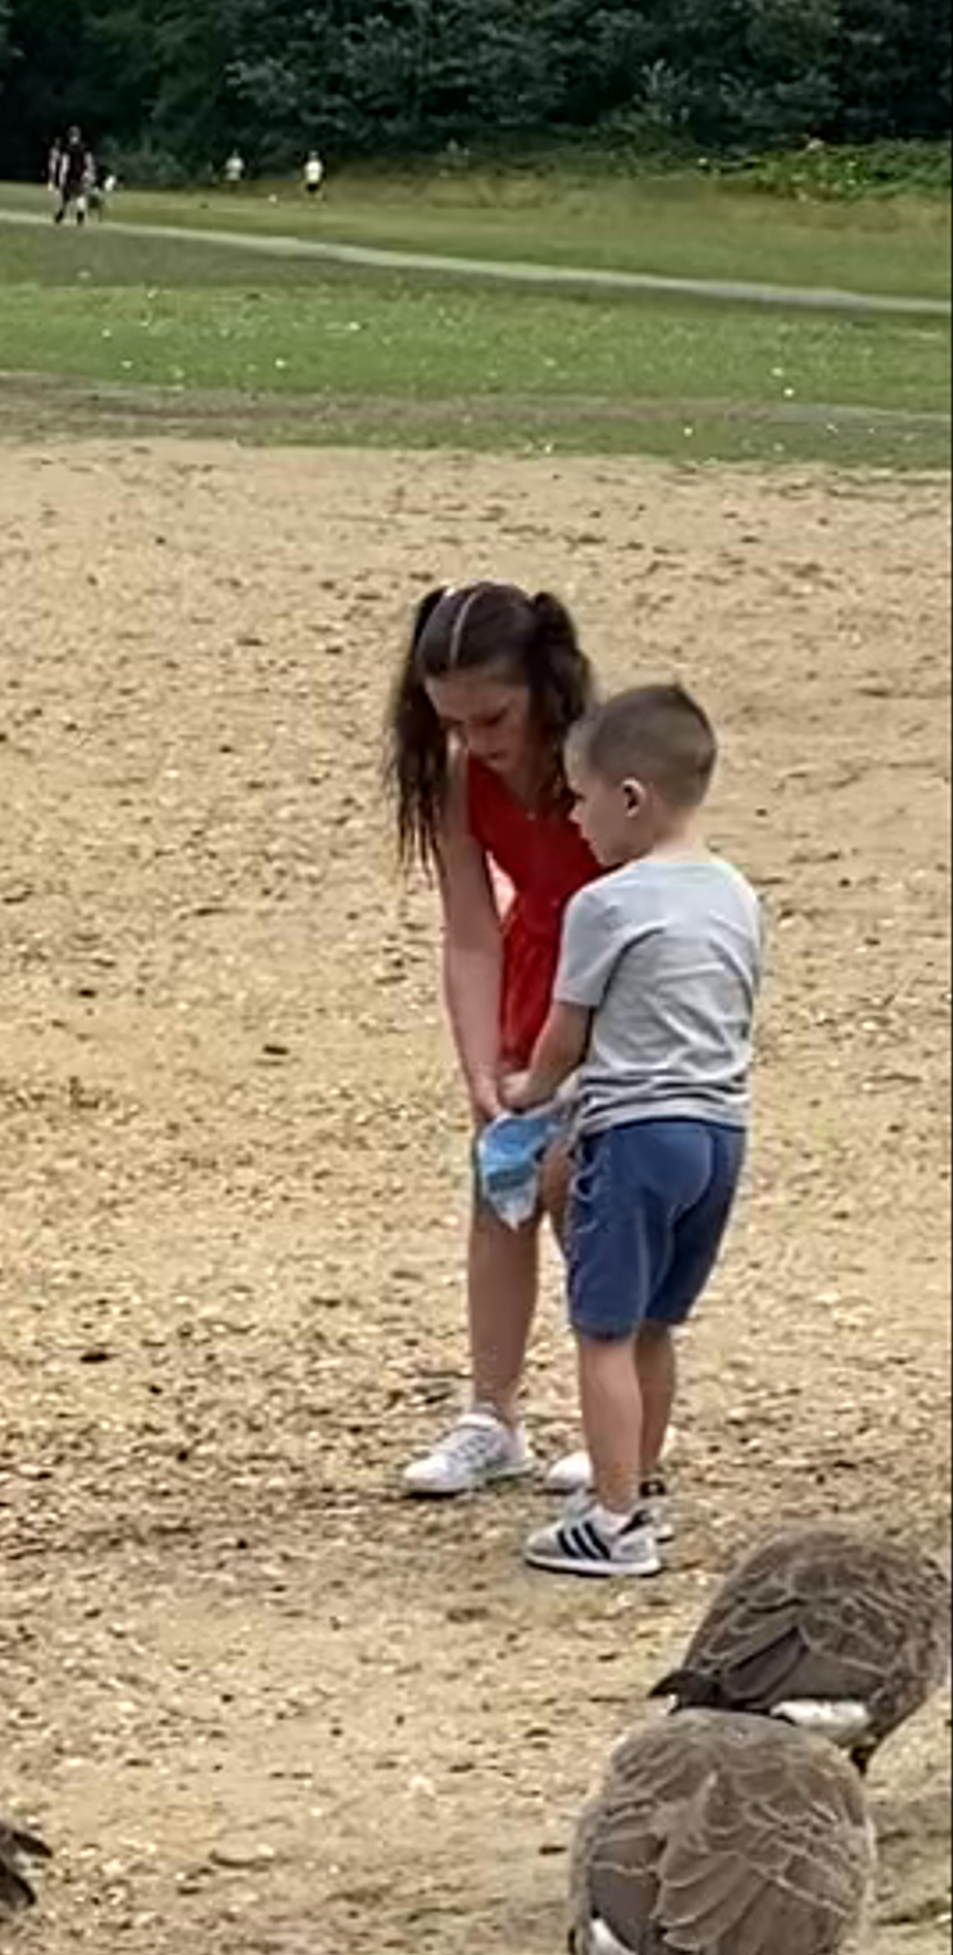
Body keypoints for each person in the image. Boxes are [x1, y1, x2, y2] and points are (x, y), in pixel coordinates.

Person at [495, 688, 762, 1586]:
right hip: (718, 1133)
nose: (574, 817)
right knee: (655, 1322)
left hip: (637, 1135)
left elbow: (566, 1033)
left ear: (632, 797)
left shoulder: (605, 905)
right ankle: (639, 1484)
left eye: (581, 797)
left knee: (603, 1328)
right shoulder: (737, 894)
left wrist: (528, 1093)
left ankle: (614, 1525)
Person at [389, 574, 600, 1502]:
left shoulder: (602, 762)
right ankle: (493, 1414)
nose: (476, 741)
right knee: (502, 1182)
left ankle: (624, 1418)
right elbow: (471, 928)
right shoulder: (458, 777)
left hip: (615, 983)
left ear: (541, 685)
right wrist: (481, 1066)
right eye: (454, 723)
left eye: (493, 717)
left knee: (589, 1192)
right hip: (530, 977)